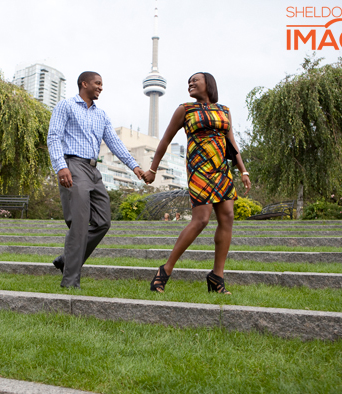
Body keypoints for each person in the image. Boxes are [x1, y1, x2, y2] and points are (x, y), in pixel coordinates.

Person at [143, 72, 250, 294]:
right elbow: (165, 140)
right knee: (201, 219)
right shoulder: (185, 109)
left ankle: (216, 277)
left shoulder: (224, 111)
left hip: (221, 169)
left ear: (208, 84)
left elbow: (232, 143)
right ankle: (165, 270)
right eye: (189, 82)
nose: (191, 84)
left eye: (195, 80)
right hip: (199, 168)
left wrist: (243, 170)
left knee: (227, 217)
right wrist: (153, 169)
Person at [47, 71, 145, 289]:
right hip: (73, 165)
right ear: (84, 84)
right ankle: (70, 282)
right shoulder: (66, 106)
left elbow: (114, 143)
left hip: (93, 170)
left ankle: (67, 260)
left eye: (102, 84)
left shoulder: (101, 115)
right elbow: (53, 136)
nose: (101, 87)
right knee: (79, 224)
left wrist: (135, 166)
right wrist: (61, 166)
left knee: (103, 222)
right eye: (97, 83)